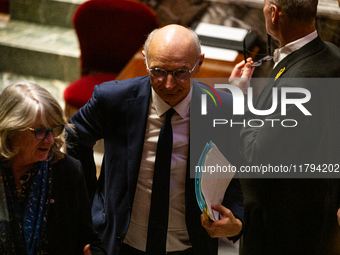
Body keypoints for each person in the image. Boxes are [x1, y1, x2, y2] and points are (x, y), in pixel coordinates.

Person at [66, 24, 244, 255]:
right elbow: (72, 138)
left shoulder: (223, 109)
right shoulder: (113, 99)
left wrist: (236, 221)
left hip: (191, 246)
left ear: (199, 63)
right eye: (158, 71)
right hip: (121, 244)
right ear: (145, 59)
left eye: (181, 72)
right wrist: (91, 203)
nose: (168, 84)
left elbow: (238, 171)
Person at [230, 0, 340, 254]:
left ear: (273, 13)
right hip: (319, 206)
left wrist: (239, 99)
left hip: (280, 226)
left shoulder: (296, 83)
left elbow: (256, 154)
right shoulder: (333, 53)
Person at [0, 81, 106, 255]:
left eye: (54, 129)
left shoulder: (68, 171)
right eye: (40, 131)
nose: (50, 140)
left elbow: (89, 239)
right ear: (11, 130)